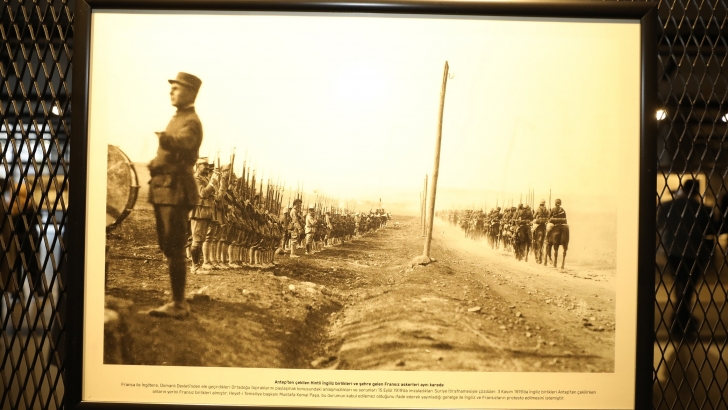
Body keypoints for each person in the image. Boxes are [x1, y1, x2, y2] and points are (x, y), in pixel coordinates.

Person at [147, 72, 203, 318]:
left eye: (177, 88)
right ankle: (176, 299)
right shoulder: (178, 118)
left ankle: (179, 304)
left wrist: (167, 140)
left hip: (177, 190)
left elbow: (184, 142)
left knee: (176, 246)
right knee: (168, 246)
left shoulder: (191, 121)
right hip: (165, 189)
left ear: (190, 93)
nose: (172, 91)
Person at [657, 179, 716, 339]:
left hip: (673, 250)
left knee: (679, 283)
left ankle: (680, 319)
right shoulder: (703, 209)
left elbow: (660, 224)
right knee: (688, 286)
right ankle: (682, 320)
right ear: (697, 190)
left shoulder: (667, 206)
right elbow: (710, 230)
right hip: (694, 251)